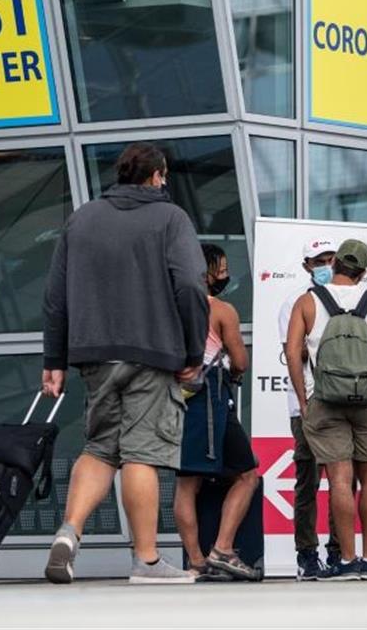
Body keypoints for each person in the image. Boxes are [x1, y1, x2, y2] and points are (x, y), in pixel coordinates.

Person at [40, 142, 209, 585]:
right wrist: (194, 352)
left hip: (94, 354)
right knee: (142, 454)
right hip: (152, 353)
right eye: (164, 175)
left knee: (100, 448)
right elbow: (191, 284)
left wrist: (54, 359)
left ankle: (68, 532)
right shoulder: (171, 218)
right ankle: (148, 560)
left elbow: (56, 298)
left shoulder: (83, 218)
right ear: (156, 176)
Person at [285, 239, 367, 581]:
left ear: (333, 265)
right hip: (366, 400)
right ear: (363, 272)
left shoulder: (307, 302)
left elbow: (293, 353)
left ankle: (346, 560)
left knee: (339, 479)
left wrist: (304, 400)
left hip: (324, 400)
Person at [174, 244, 260, 582]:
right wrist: (234, 374)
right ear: (208, 272)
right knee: (246, 475)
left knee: (185, 485)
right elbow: (240, 362)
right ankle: (222, 550)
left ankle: (195, 561)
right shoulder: (222, 310)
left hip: (176, 402)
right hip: (210, 403)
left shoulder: (171, 307)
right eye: (221, 269)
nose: (225, 275)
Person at [277, 238, 341, 580]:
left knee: (343, 480)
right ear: (307, 267)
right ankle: (307, 554)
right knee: (308, 481)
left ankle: (338, 552)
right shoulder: (295, 303)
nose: (327, 265)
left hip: (344, 402)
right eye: (320, 261)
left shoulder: (350, 297)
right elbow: (294, 353)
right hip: (308, 403)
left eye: (331, 258)